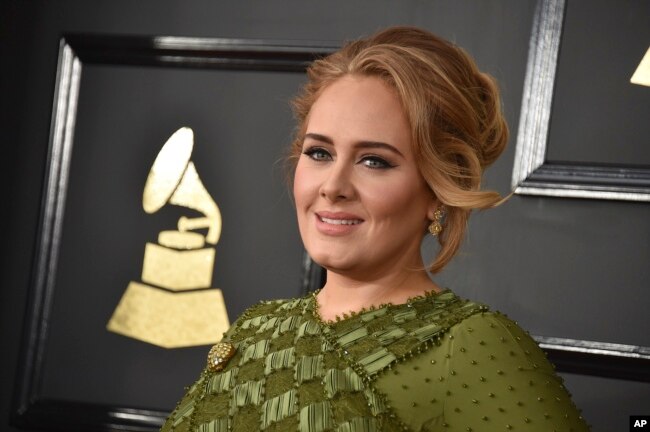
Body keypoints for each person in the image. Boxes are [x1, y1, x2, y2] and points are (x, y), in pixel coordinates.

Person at [161, 26, 590, 432]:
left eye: (374, 161)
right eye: (319, 153)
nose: (333, 187)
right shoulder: (256, 327)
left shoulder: (474, 346)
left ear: (440, 189)